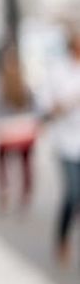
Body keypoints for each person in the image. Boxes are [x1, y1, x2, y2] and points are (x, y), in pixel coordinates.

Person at [45, 27, 80, 265]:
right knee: (73, 194)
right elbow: (47, 107)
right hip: (66, 143)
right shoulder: (58, 71)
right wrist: (67, 103)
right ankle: (62, 239)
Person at [0, 43, 40, 211]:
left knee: (3, 160)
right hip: (22, 127)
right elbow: (33, 103)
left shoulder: (2, 81)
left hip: (8, 128)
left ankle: (6, 190)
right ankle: (24, 192)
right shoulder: (23, 79)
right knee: (24, 161)